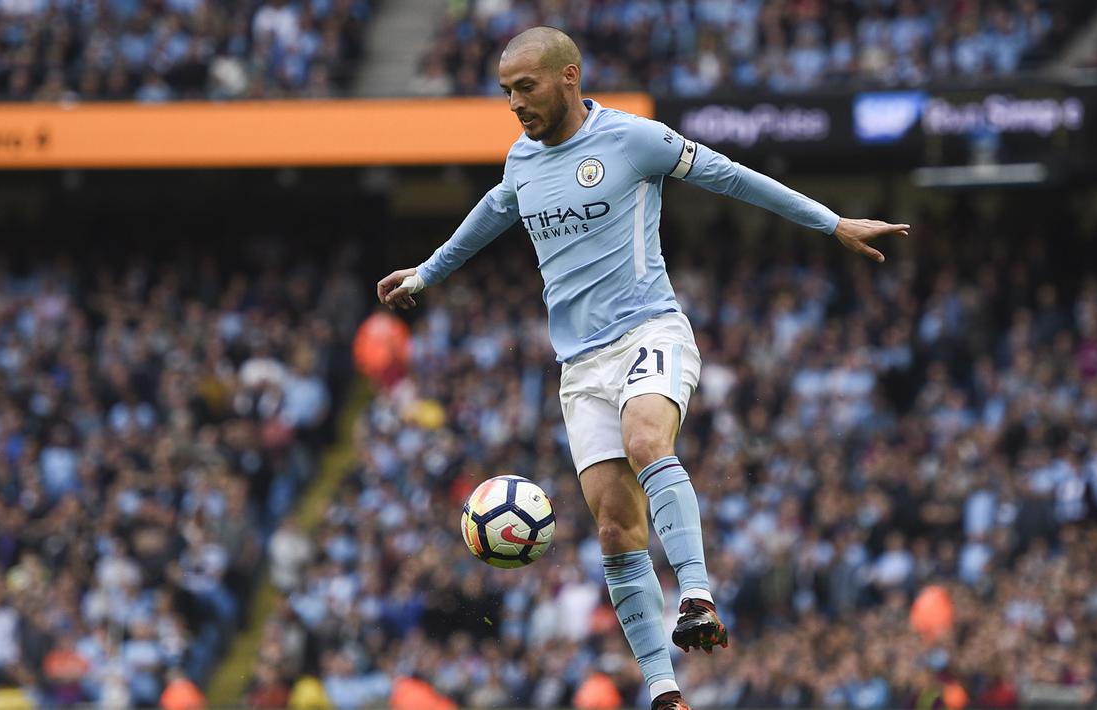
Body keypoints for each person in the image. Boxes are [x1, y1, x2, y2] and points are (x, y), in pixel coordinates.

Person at [376, 26, 909, 710]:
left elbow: (731, 177)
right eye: (506, 92)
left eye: (525, 87)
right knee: (613, 529)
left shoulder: (634, 139)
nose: (514, 103)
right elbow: (492, 212)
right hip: (579, 367)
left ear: (568, 76)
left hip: (648, 330)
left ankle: (695, 595)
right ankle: (663, 689)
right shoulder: (520, 161)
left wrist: (830, 222)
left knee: (646, 441)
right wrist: (427, 271)